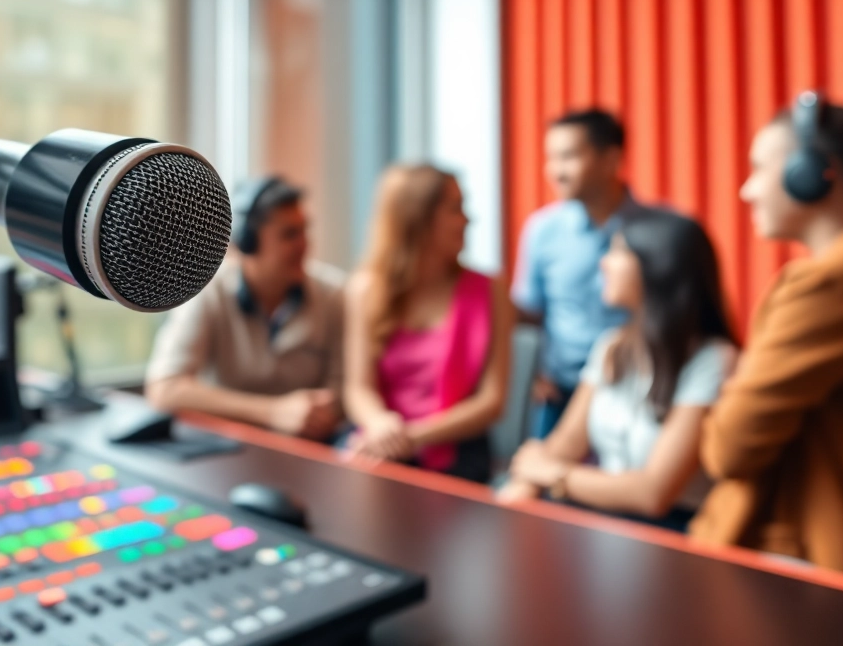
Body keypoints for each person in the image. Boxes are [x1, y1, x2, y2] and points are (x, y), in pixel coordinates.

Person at [690, 93, 843, 579]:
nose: (747, 190)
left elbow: (726, 451)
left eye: (759, 169)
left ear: (816, 173)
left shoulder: (833, 282)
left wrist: (733, 385)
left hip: (792, 561)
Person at [498, 210, 738, 529]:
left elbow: (653, 493)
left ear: (657, 267)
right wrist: (524, 486)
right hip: (605, 523)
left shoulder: (715, 361)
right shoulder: (612, 345)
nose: (603, 262)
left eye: (617, 251)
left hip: (672, 535)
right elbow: (567, 442)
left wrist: (554, 475)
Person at [341, 165, 512, 483]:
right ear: (417, 220)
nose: (467, 220)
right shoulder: (364, 289)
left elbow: (492, 401)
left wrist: (412, 437)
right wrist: (379, 424)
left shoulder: (491, 290)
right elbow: (358, 388)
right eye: (454, 209)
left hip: (458, 451)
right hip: (380, 439)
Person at [144, 176, 345, 440]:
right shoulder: (208, 291)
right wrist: (272, 412)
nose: (305, 244)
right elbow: (164, 389)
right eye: (290, 234)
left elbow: (343, 391)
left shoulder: (334, 294)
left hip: (305, 448)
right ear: (247, 241)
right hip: (225, 447)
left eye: (304, 230)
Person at [513, 109, 643, 439]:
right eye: (551, 158)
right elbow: (529, 310)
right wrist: (534, 371)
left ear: (611, 159)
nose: (555, 171)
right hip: (561, 395)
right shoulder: (542, 230)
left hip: (634, 391)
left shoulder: (654, 232)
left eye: (568, 157)